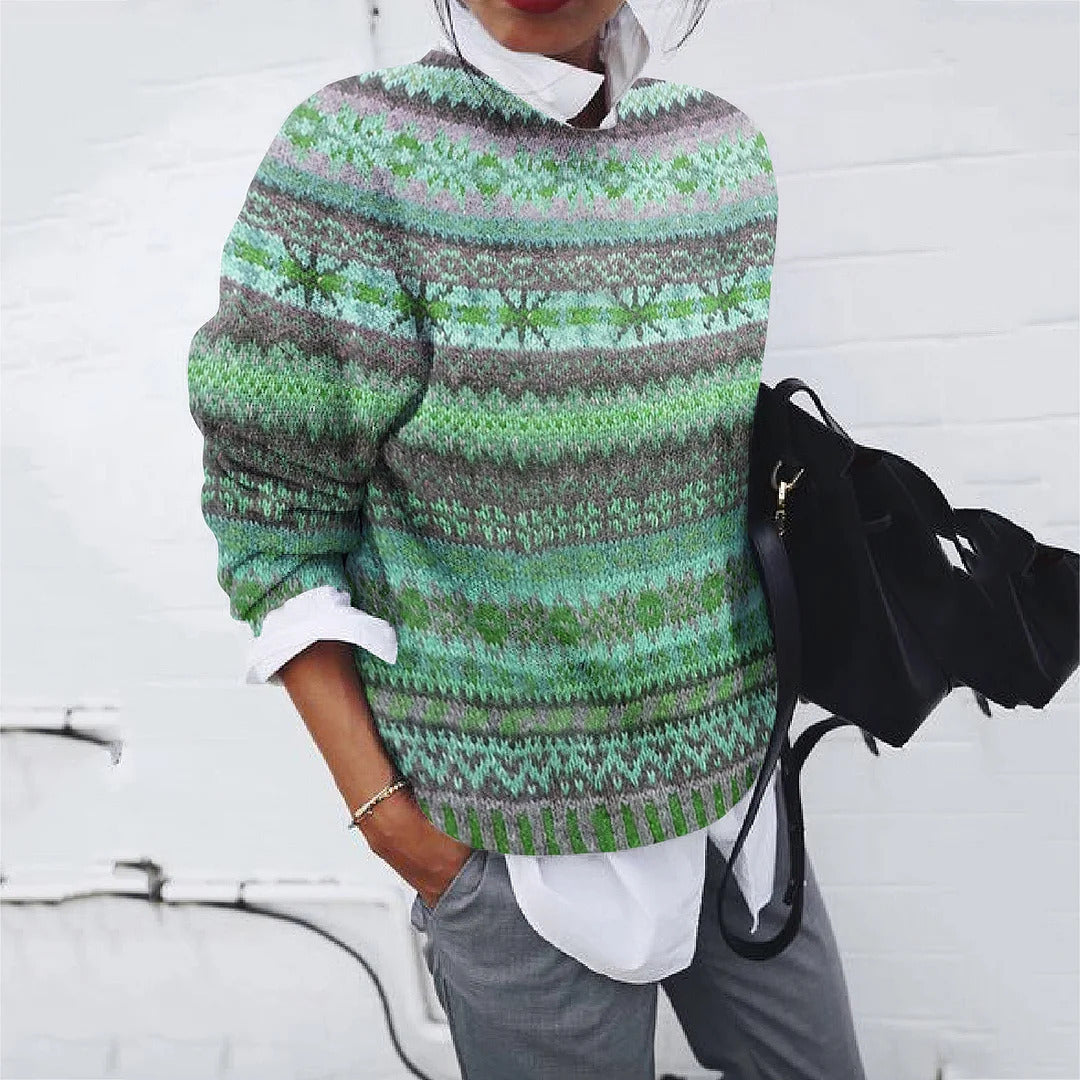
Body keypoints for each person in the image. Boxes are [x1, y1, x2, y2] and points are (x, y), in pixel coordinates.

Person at [186, 1, 868, 1076]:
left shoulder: (719, 156)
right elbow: (273, 529)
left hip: (736, 809)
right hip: (509, 853)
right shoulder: (355, 163)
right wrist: (401, 832)